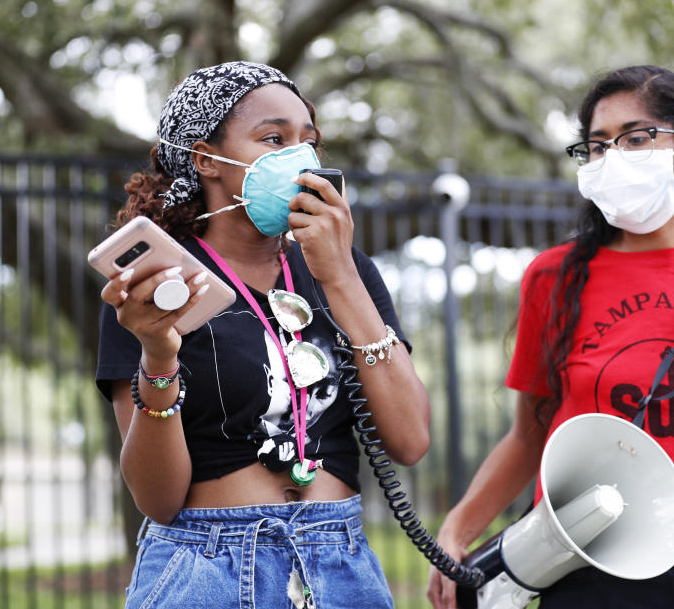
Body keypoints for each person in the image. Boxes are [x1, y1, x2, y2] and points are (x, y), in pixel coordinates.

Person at [427, 65, 674, 609]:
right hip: (596, 561)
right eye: (598, 145)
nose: (612, 157)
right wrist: (457, 529)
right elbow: (529, 436)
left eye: (635, 138)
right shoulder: (554, 280)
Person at [94, 61, 431, 609]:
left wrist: (341, 276)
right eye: (273, 138)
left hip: (338, 564)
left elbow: (411, 440)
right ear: (207, 160)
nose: (299, 158)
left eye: (309, 141)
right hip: (207, 565)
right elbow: (157, 499)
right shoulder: (157, 287)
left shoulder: (347, 271)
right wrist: (159, 355)